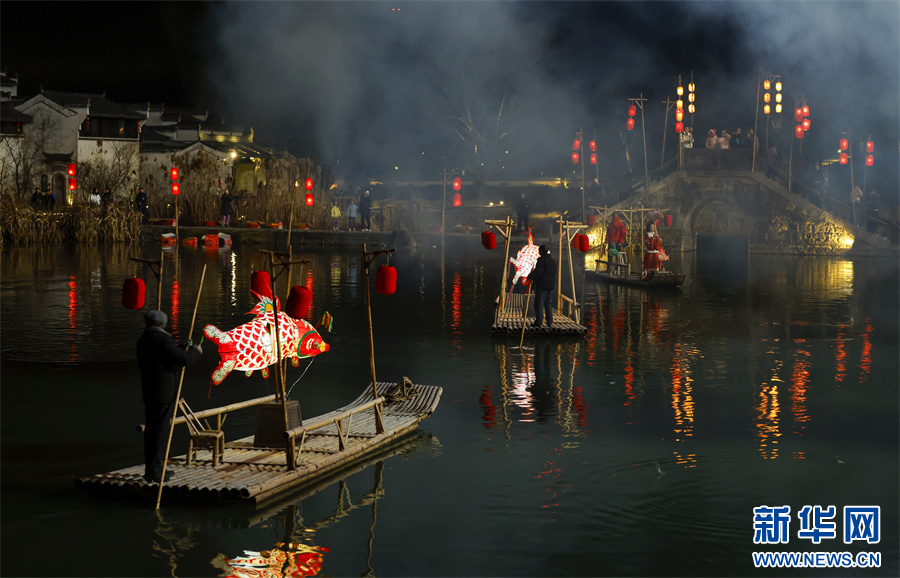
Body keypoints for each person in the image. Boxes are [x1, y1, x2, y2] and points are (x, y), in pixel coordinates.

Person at [136, 310, 202, 483]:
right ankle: (156, 471)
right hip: (162, 393)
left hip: (150, 391)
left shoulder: (144, 339)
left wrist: (180, 346)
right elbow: (185, 360)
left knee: (152, 431)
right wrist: (196, 351)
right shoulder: (162, 339)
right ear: (163, 324)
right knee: (159, 432)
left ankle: (154, 468)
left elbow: (165, 355)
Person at [526, 244, 557, 328]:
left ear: (542, 251)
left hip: (542, 286)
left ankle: (539, 322)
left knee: (539, 304)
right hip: (550, 286)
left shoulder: (542, 261)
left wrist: (530, 276)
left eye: (539, 250)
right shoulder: (552, 261)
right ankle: (549, 322)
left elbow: (538, 272)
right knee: (548, 304)